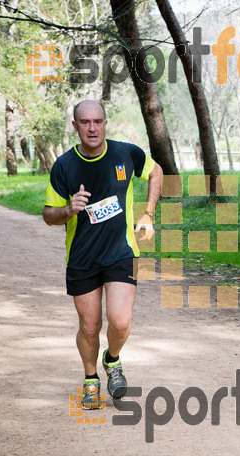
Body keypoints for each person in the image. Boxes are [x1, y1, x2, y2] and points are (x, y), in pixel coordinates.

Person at [43, 100, 162, 409]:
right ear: (75, 126)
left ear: (106, 123)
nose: (92, 128)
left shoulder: (126, 153)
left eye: (97, 121)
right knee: (90, 326)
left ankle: (113, 360)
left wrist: (148, 214)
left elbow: (156, 171)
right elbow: (48, 215)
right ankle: (91, 378)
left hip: (122, 252)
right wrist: (69, 209)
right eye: (85, 122)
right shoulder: (64, 166)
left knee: (120, 321)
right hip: (82, 258)